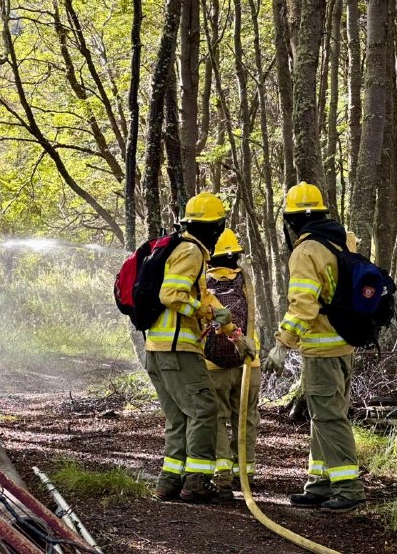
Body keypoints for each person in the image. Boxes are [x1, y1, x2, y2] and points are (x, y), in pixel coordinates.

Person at [262, 181, 365, 513]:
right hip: (345, 342)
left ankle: (348, 488)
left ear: (293, 221)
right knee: (323, 415)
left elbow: (303, 306)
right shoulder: (343, 239)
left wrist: (281, 345)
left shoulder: (306, 251)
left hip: (321, 347)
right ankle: (319, 484)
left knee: (329, 417)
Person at [145, 192, 242, 503]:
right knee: (204, 410)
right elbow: (171, 295)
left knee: (179, 417)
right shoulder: (192, 252)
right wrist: (205, 314)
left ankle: (169, 481)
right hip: (179, 349)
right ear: (213, 227)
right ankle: (196, 482)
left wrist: (235, 335)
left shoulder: (182, 248)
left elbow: (206, 299)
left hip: (158, 349)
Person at [204, 228, 260, 499]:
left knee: (216, 419)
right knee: (245, 418)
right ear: (235, 255)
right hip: (248, 360)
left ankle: (222, 475)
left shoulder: (202, 282)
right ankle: (245, 473)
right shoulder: (247, 280)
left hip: (211, 365)